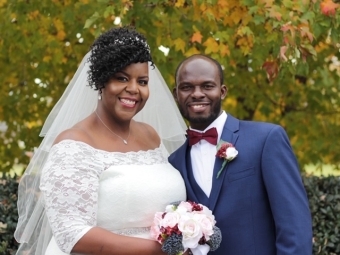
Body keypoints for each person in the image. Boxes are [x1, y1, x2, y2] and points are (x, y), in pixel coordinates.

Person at [14, 27, 188, 255]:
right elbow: (72, 234)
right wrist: (161, 250)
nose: (134, 89)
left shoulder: (151, 136)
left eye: (142, 81)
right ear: (101, 82)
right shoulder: (73, 144)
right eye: (122, 78)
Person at [168, 54, 313, 255]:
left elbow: (295, 227)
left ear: (223, 91)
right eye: (187, 87)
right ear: (176, 94)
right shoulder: (174, 162)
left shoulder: (266, 139)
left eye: (207, 86)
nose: (197, 94)